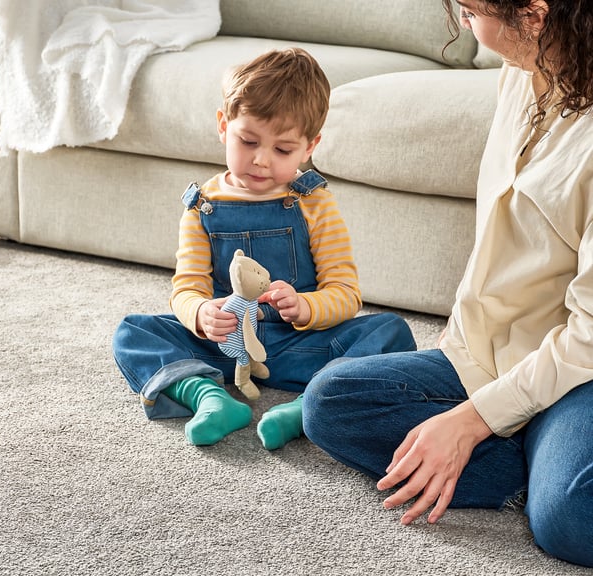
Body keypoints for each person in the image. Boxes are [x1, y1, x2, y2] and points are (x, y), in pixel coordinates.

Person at [302, 0, 593, 568]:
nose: (462, 23)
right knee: (330, 401)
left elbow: (589, 341)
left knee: (570, 518)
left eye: (469, 9)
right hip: (494, 357)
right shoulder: (525, 72)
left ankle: (541, 457)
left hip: (579, 374)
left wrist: (473, 421)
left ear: (534, 14)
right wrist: (483, 402)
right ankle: (536, 451)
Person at [112, 47, 415, 450]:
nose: (260, 160)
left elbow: (345, 294)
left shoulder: (314, 202)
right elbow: (186, 288)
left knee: (389, 331)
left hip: (298, 346)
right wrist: (201, 315)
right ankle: (209, 397)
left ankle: (308, 406)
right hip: (224, 346)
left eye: (283, 150)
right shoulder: (202, 206)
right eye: (248, 140)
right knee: (134, 331)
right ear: (223, 126)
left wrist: (306, 307)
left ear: (310, 146)